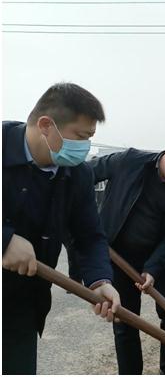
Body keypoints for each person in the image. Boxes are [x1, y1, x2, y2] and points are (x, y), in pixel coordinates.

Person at [2, 83, 120, 374]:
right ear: (46, 125)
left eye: (90, 138)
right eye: (81, 136)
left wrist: (100, 280)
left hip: (21, 302)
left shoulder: (77, 174)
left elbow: (88, 235)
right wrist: (4, 240)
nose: (85, 147)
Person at [88, 137, 165, 375]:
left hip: (162, 260)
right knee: (125, 320)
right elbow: (85, 174)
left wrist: (153, 268)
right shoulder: (130, 161)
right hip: (119, 257)